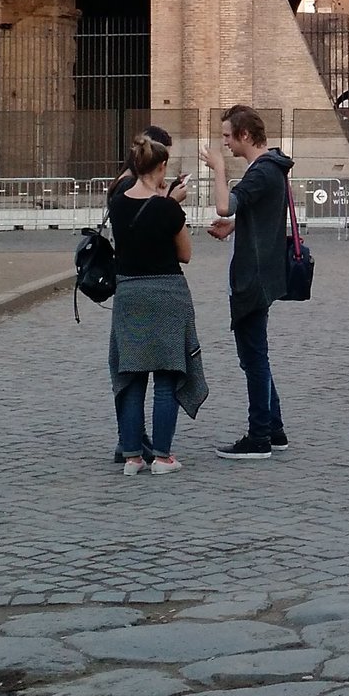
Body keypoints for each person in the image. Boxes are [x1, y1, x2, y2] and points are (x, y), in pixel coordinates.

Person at [107, 131, 207, 476]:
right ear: (162, 167)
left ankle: (133, 456)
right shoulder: (168, 209)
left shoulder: (117, 204)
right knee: (167, 377)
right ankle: (163, 456)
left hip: (129, 293)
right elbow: (186, 254)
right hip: (166, 293)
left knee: (132, 377)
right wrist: (171, 204)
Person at [202, 104, 295, 460]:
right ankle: (274, 428)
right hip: (262, 271)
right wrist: (236, 226)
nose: (224, 142)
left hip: (253, 276)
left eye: (227, 136)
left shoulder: (261, 172)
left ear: (244, 135)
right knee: (257, 355)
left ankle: (259, 437)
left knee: (253, 358)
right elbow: (256, 212)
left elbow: (225, 206)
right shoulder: (272, 169)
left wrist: (219, 172)